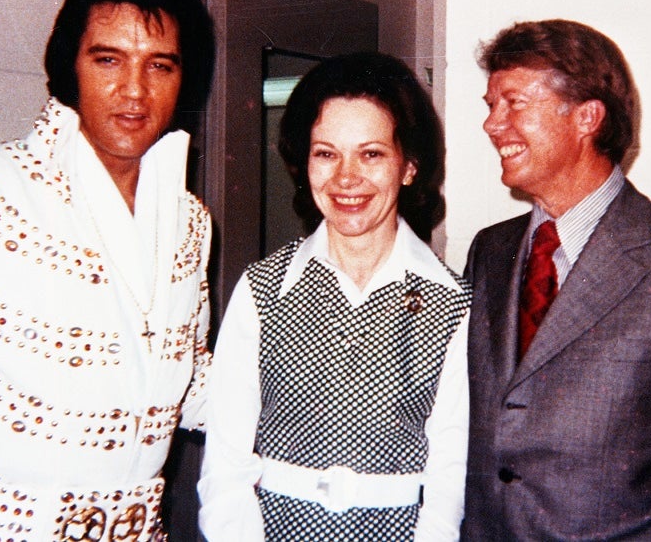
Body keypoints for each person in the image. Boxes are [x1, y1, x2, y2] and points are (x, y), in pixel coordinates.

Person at [460, 18, 651, 539]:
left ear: (587, 118)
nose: (492, 124)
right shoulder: (492, 250)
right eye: (491, 106)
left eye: (513, 103)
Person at [0, 0, 215, 541]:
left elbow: (192, 384)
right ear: (68, 65)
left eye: (161, 66)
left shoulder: (189, 221)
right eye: (108, 59)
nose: (134, 90)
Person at [198, 51, 472, 541]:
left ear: (409, 166)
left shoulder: (453, 302)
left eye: (371, 154)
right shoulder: (263, 289)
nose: (346, 178)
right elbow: (225, 467)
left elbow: (451, 475)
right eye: (326, 153)